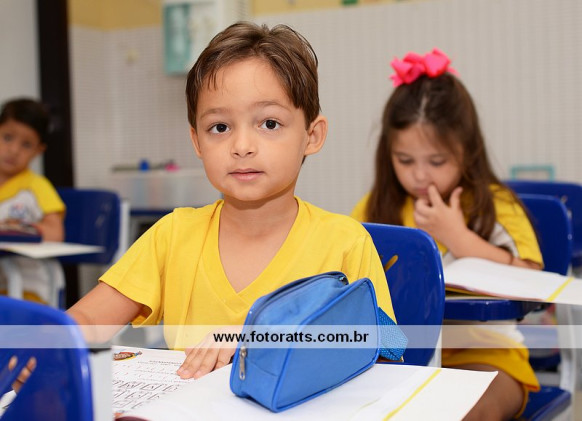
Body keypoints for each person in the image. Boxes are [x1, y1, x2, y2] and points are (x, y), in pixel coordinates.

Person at [67, 22, 396, 380]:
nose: (241, 146)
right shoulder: (172, 236)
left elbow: (388, 346)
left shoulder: (345, 242)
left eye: (269, 123)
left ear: (312, 135)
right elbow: (87, 319)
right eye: (220, 127)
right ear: (197, 141)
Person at [350, 49, 543, 420]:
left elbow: (534, 282)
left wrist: (459, 238)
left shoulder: (496, 205)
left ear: (466, 151)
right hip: (399, 357)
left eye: (436, 161)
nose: (420, 175)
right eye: (405, 160)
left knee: (458, 411)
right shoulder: (375, 208)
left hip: (487, 353)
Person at [0, 98, 65, 304]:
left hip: (31, 289)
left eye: (26, 144)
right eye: (7, 138)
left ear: (38, 151)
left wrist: (18, 228)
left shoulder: (37, 187)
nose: (14, 150)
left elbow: (55, 233)